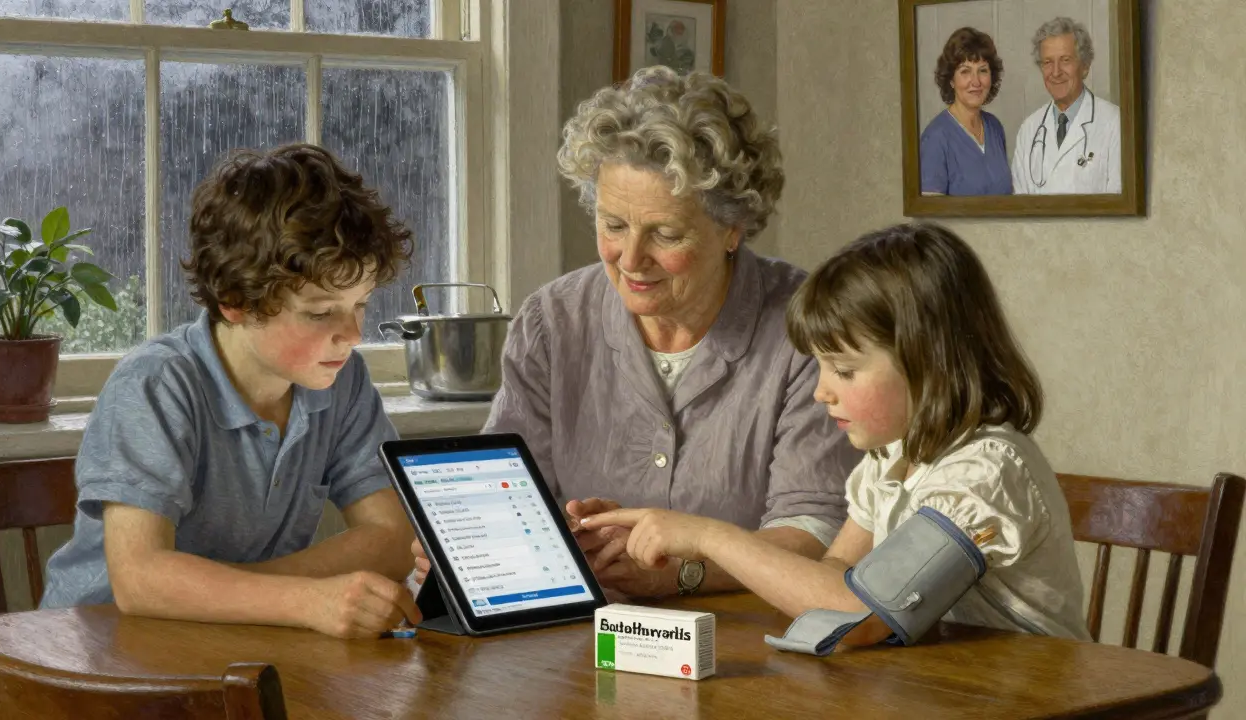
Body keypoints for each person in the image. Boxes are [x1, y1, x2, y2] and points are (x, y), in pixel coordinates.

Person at [412, 66, 861, 600]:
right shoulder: (552, 321)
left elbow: (814, 533)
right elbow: (507, 496)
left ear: (733, 227)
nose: (630, 259)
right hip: (581, 639)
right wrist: (481, 539)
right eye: (613, 225)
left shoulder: (806, 329)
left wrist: (681, 570)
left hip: (754, 642)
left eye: (665, 234)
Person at [580, 222, 1090, 643]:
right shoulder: (890, 464)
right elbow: (830, 581)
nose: (822, 391)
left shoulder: (985, 474)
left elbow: (859, 613)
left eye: (844, 371)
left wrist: (708, 536)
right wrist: (683, 550)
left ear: (928, 364)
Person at [40, 143, 424, 639]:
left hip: (233, 642)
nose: (352, 335)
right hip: (100, 661)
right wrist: (302, 599)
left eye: (361, 305)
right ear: (236, 301)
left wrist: (238, 596)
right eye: (319, 311)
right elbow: (140, 582)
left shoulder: (342, 379)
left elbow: (394, 539)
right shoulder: (156, 383)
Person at [1011, 17, 1122, 195]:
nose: (1055, 72)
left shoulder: (1115, 122)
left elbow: (1120, 202)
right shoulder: (1029, 129)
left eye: (1065, 60)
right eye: (1048, 62)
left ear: (1085, 66)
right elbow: (1020, 202)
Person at [919, 27, 1013, 196]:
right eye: (965, 71)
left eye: (983, 70)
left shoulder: (994, 127)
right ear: (951, 80)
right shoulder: (935, 139)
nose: (975, 82)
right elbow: (930, 219)